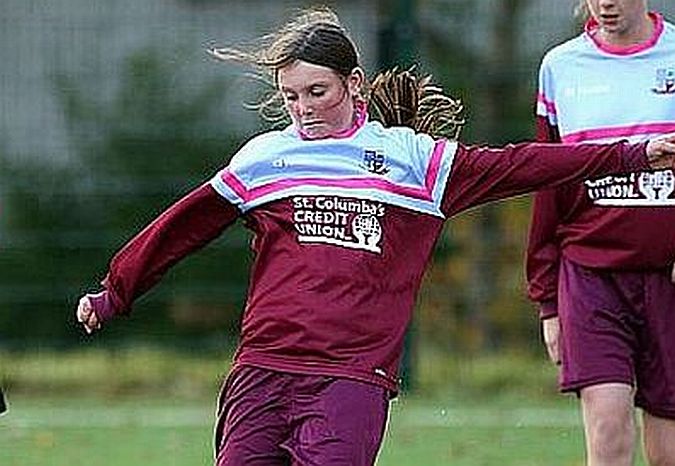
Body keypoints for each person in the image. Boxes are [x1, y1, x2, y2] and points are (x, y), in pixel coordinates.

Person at [76, 6, 675, 466]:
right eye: (291, 96)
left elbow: (527, 163)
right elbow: (184, 226)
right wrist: (115, 291)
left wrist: (634, 153)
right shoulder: (266, 158)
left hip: (351, 378)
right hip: (261, 368)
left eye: (318, 92)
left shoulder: (413, 162)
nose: (304, 109)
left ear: (353, 84)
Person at [526, 1, 675, 465]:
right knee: (608, 433)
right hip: (591, 275)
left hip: (667, 279)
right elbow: (547, 185)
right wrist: (548, 301)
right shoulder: (560, 67)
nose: (605, 3)